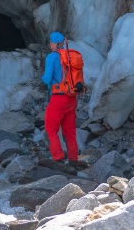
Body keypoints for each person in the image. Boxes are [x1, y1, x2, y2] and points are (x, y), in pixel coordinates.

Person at [41, 31, 80, 166]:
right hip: (71, 98)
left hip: (58, 99)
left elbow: (46, 79)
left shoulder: (52, 57)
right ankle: (74, 160)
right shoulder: (70, 56)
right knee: (69, 132)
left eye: (50, 43)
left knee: (51, 130)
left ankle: (58, 158)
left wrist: (44, 79)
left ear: (53, 44)